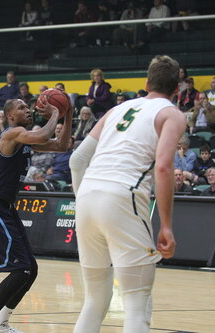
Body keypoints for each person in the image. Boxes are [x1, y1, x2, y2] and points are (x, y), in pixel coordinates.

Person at [70, 55, 186, 333]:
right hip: (124, 196)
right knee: (137, 304)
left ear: (146, 83)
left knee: (95, 301)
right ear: (177, 90)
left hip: (87, 197)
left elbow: (76, 160)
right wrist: (167, 225)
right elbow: (163, 166)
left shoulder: (116, 110)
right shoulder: (171, 114)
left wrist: (83, 199)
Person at [0, 98, 72, 333]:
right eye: (22, 108)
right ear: (10, 116)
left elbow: (62, 145)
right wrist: (55, 112)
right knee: (21, 269)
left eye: (28, 107)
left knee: (30, 269)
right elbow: (43, 136)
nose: (28, 110)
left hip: (5, 206)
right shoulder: (12, 134)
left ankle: (0, 324)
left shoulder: (23, 140)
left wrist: (69, 112)